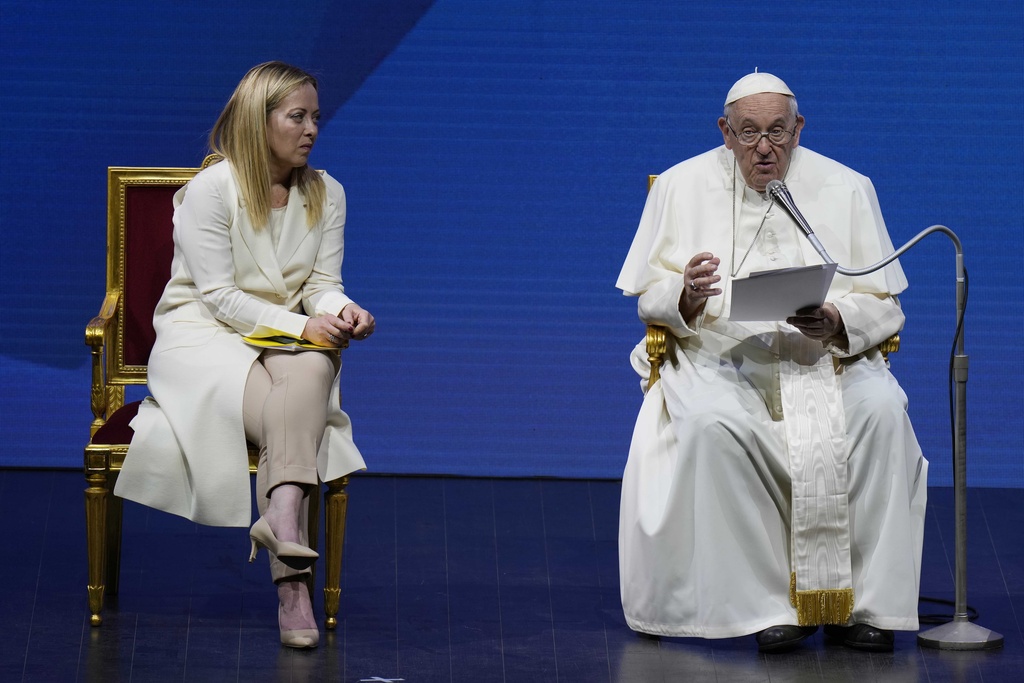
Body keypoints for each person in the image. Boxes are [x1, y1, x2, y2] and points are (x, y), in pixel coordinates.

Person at [615, 72, 928, 654]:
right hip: (720, 360)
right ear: (725, 132)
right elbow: (647, 296)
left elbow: (885, 302)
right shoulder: (680, 186)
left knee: (882, 412)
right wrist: (686, 295)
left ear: (798, 128)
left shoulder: (848, 187)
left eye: (777, 132)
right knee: (712, 425)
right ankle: (766, 609)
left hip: (826, 360)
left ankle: (866, 608)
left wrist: (839, 320)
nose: (764, 148)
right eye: (749, 133)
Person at [114, 61, 375, 649]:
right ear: (260, 121)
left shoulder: (327, 192)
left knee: (316, 364)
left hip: (282, 337)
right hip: (204, 337)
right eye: (297, 117)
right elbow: (219, 297)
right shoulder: (211, 190)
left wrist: (343, 310)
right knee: (299, 408)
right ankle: (293, 592)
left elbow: (322, 283)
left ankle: (280, 522)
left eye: (316, 117)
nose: (312, 129)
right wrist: (304, 325)